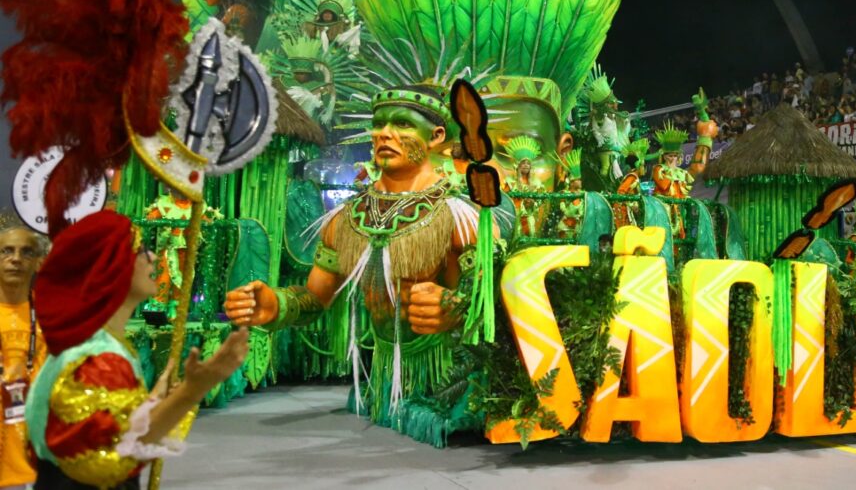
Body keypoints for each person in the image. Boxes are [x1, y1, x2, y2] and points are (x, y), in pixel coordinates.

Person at [224, 85, 499, 433]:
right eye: (380, 123)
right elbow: (314, 299)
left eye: (402, 124)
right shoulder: (344, 220)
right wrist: (275, 306)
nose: (385, 133)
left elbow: (493, 303)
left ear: (437, 136)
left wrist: (456, 309)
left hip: (448, 391)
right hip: (380, 389)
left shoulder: (461, 218)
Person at [27, 211, 248, 490]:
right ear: (110, 266)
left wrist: (163, 398)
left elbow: (126, 430)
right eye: (141, 250)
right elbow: (112, 462)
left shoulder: (98, 343)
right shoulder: (98, 359)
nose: (153, 257)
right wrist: (193, 390)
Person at [0, 220, 48, 490]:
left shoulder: (50, 316)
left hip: (33, 465)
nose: (15, 259)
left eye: (25, 252)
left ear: (38, 262)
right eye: (6, 251)